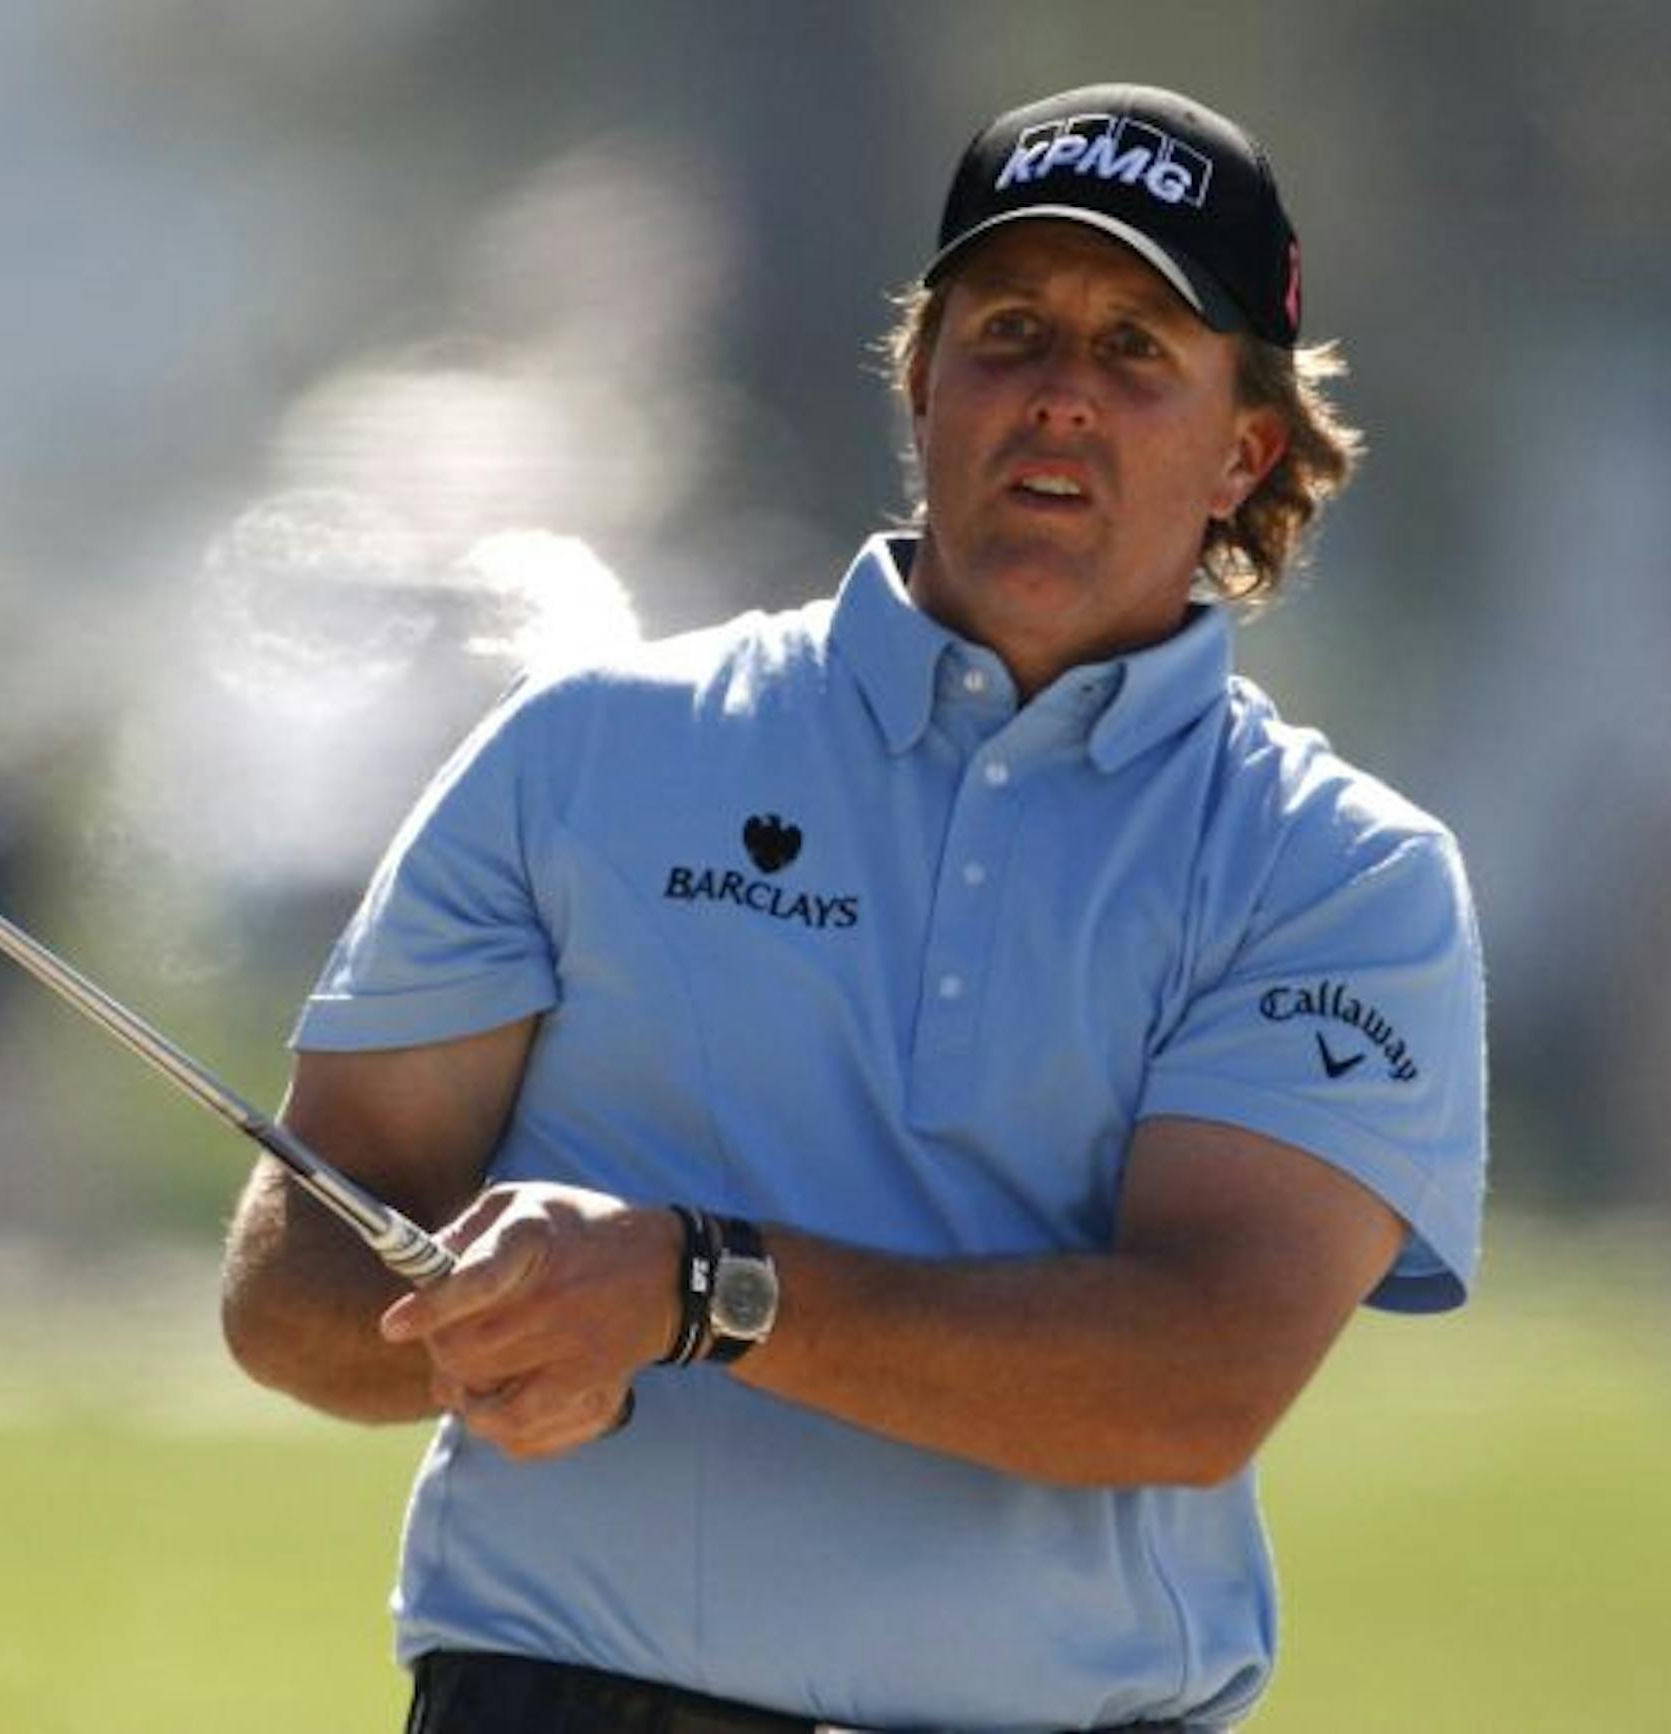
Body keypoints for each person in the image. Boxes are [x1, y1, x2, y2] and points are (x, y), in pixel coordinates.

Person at [221, 82, 1487, 1734]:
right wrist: (466, 1323)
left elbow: (1192, 1377)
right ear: (923, 379)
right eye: (1011, 332)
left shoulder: (1335, 870)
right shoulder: (590, 750)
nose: (1059, 400)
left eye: (1134, 352)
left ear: (1247, 447)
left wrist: (694, 1289)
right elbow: (295, 1279)